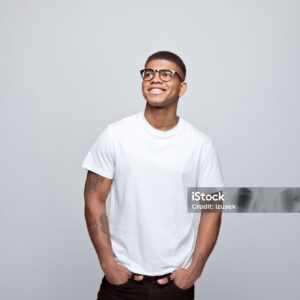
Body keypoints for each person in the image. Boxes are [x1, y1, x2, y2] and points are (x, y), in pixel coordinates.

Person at [81, 50, 225, 300]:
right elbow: (94, 199)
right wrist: (107, 262)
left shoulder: (200, 145)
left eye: (166, 74)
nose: (155, 79)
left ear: (182, 87)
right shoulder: (115, 135)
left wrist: (195, 269)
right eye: (149, 73)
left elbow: (212, 208)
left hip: (174, 286)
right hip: (121, 283)